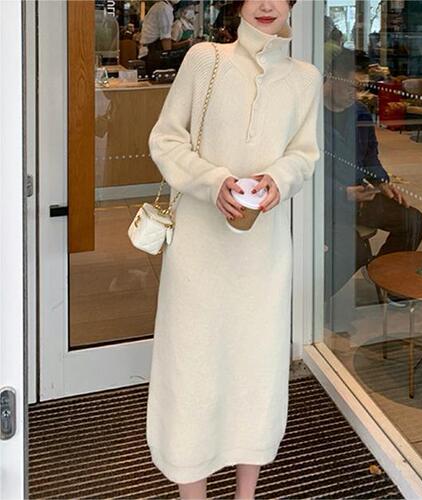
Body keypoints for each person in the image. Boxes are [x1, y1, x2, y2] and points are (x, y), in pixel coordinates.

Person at [145, 1, 321, 498]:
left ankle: (247, 495)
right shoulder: (205, 59)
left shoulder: (305, 78)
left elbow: (305, 154)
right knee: (192, 369)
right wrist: (212, 181)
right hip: (199, 251)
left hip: (263, 255)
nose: (266, 5)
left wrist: (279, 178)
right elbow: (166, 139)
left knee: (255, 374)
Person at [323, 49, 422, 302]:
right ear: (331, 77)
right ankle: (307, 306)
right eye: (351, 86)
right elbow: (304, 174)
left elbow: (370, 156)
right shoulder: (309, 113)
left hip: (360, 195)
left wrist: (381, 182)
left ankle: (384, 280)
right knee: (353, 252)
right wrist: (342, 193)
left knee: (414, 222)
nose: (356, 94)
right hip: (324, 202)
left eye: (361, 87)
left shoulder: (359, 112)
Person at [139, 0, 192, 75]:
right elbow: (166, 41)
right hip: (153, 54)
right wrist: (170, 58)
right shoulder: (164, 9)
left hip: (151, 51)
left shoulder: (161, 6)